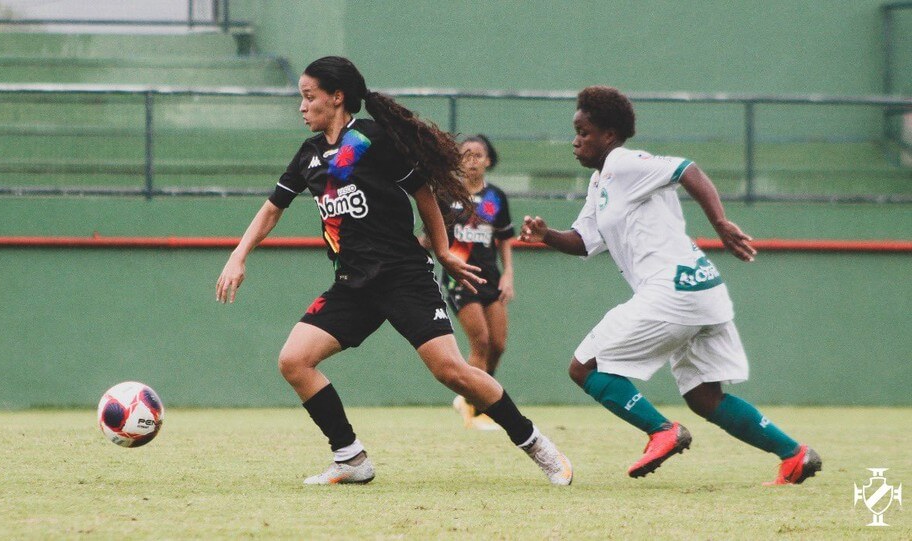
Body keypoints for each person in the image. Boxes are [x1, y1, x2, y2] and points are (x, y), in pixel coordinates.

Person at [215, 56, 572, 486]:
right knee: (294, 361)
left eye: (309, 97)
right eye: (301, 98)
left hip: (403, 275)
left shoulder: (367, 138)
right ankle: (350, 458)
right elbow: (272, 208)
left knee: (451, 371)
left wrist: (442, 250)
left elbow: (424, 193)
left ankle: (537, 445)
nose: (302, 106)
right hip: (352, 285)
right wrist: (239, 255)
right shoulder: (309, 156)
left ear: (337, 97)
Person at [519, 85, 821, 485]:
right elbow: (584, 242)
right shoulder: (601, 183)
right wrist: (546, 235)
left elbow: (686, 169)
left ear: (609, 136)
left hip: (672, 290)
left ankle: (662, 431)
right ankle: (795, 455)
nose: (576, 140)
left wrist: (720, 223)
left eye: (584, 131)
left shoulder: (624, 162)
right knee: (704, 397)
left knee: (584, 366)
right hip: (702, 289)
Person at [439, 135, 515, 431]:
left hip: (490, 278)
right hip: (462, 278)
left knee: (498, 344)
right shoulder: (446, 195)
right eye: (466, 154)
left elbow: (505, 238)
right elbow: (431, 235)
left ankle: (476, 395)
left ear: (488, 161)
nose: (471, 160)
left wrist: (508, 274)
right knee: (480, 341)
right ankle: (473, 408)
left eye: (478, 155)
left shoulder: (495, 198)